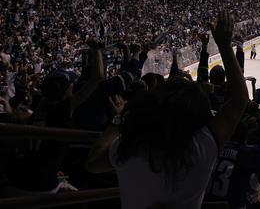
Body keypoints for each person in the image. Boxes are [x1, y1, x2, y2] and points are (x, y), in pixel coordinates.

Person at [86, 12, 249, 209]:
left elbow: (93, 162)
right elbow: (240, 99)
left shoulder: (131, 147)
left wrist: (118, 120)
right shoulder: (201, 147)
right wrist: (224, 44)